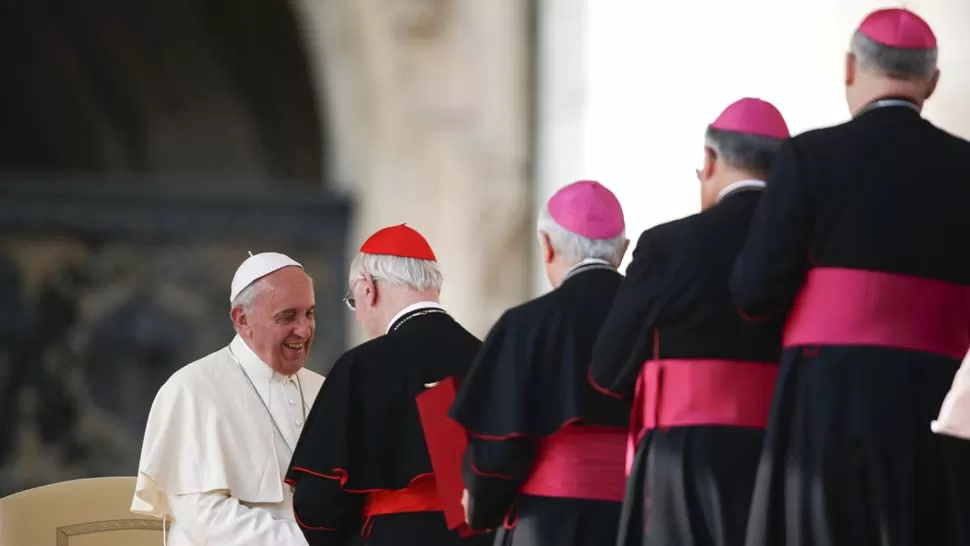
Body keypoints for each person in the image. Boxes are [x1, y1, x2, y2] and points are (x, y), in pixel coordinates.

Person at [730, 8, 970, 546]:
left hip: (829, 392)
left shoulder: (810, 157)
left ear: (848, 69)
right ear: (932, 82)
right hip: (940, 394)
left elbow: (755, 293)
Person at [588, 99, 789, 546]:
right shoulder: (808, 246)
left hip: (684, 459)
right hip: (784, 457)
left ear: (711, 161)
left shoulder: (668, 245)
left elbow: (607, 373)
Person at [284, 224, 492, 546]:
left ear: (368, 288)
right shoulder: (490, 359)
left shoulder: (362, 366)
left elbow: (318, 502)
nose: (358, 315)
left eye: (354, 301)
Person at [449, 180, 631, 546]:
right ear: (623, 250)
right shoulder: (655, 317)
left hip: (548, 524)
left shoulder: (525, 325)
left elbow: (499, 451)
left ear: (546, 247)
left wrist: (480, 505)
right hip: (639, 521)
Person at [131, 252, 325, 546]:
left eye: (309, 313)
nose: (304, 329)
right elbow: (208, 520)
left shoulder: (326, 389)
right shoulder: (192, 390)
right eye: (287, 316)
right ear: (242, 319)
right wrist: (311, 542)